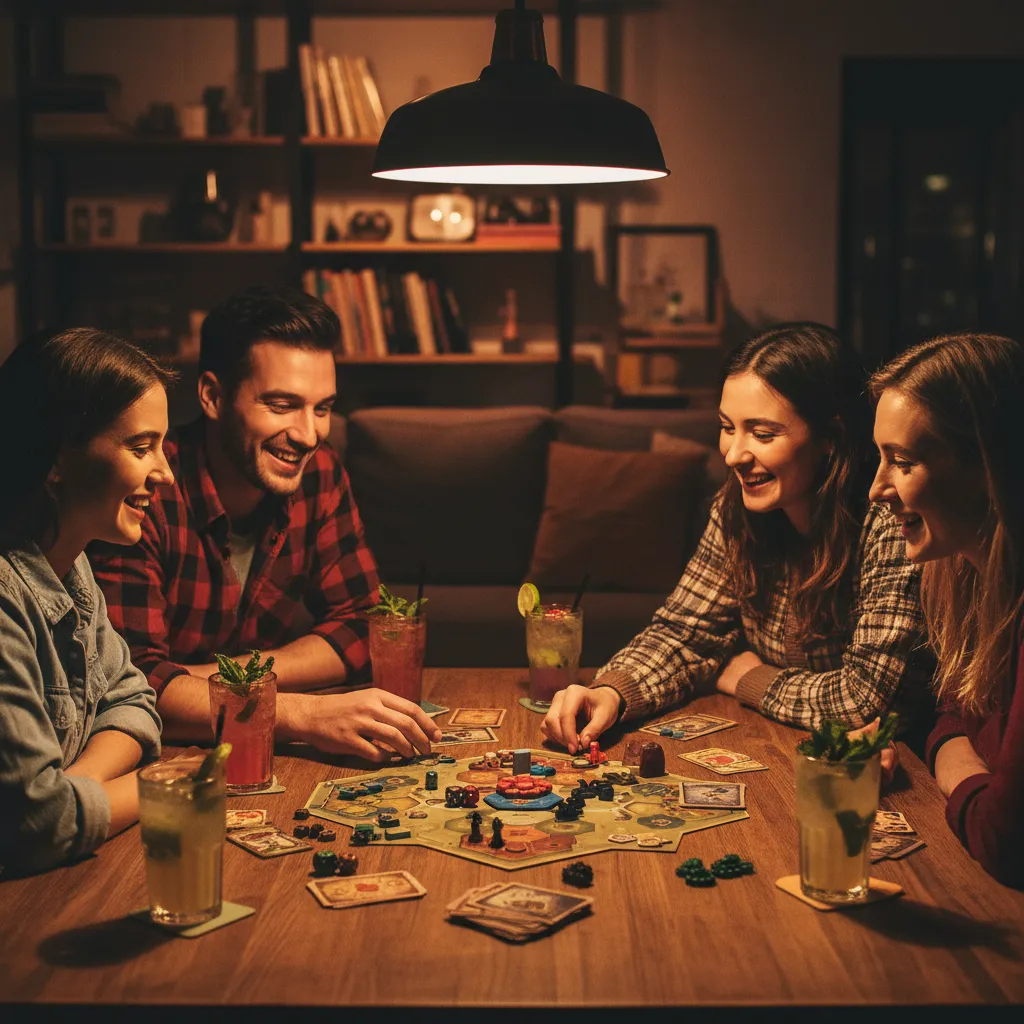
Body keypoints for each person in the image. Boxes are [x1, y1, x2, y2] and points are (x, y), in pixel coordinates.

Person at [542, 323, 933, 760]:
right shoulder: (736, 510)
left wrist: (747, 677)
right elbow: (684, 633)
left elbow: (866, 702)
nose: (733, 454)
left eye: (763, 434)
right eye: (728, 427)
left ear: (831, 438)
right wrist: (612, 691)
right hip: (779, 747)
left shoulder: (893, 522)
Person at [90, 286, 440, 761]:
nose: (308, 434)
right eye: (281, 405)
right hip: (158, 761)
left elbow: (363, 625)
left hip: (244, 749)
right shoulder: (146, 488)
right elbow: (127, 685)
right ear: (213, 396)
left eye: (323, 408)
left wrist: (222, 679)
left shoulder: (319, 473)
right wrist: (302, 714)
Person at [0, 329, 167, 874]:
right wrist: (165, 788)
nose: (164, 472)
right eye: (141, 448)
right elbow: (38, 825)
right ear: (55, 460)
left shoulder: (71, 564)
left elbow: (133, 698)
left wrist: (74, 788)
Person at [870, 332, 1024, 887]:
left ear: (988, 467)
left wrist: (954, 763)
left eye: (902, 462)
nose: (876, 489)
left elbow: (1005, 840)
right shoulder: (970, 580)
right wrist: (960, 754)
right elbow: (949, 717)